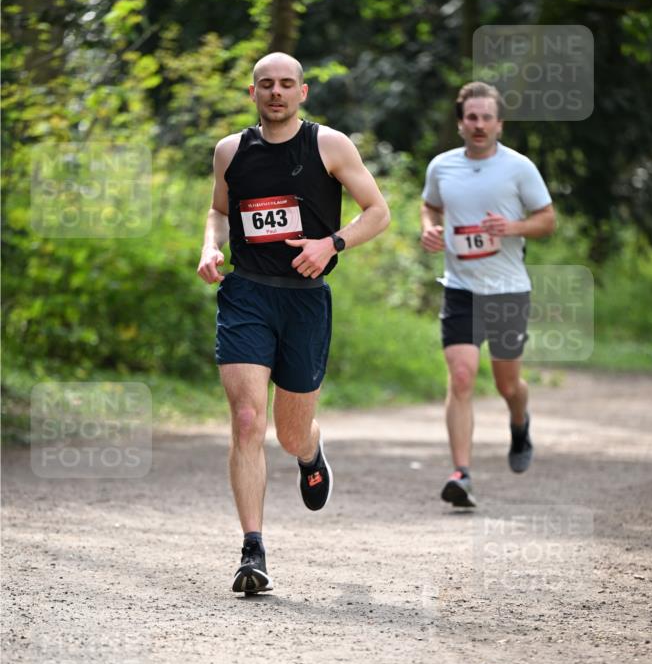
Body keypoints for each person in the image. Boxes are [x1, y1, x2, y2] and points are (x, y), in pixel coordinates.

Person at [197, 52, 390, 592]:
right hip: (247, 295)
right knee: (245, 420)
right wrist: (211, 247)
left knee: (289, 432)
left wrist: (331, 244)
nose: (276, 92)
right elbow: (218, 209)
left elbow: (378, 211)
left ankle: (310, 451)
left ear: (302, 92)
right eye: (266, 84)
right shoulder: (230, 151)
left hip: (304, 299)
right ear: (252, 92)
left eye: (286, 84)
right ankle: (252, 552)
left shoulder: (329, 145)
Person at [420, 81, 555, 508]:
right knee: (461, 376)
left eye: (486, 118)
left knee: (507, 382)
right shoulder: (441, 166)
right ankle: (462, 474)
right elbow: (430, 204)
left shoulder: (519, 168)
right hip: (460, 289)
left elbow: (547, 220)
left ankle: (520, 420)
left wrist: (511, 228)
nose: (479, 125)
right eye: (471, 118)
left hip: (508, 292)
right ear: (461, 123)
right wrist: (429, 227)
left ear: (500, 123)